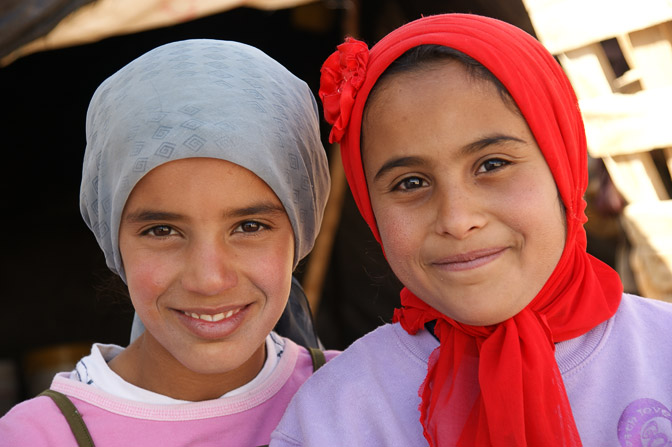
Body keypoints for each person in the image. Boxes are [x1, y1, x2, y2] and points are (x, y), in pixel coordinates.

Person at [271, 13, 672, 447]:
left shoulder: (661, 355)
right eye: (411, 183)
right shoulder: (337, 415)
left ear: (564, 164)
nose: (458, 220)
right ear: (370, 208)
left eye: (492, 165)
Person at [0, 38, 334, 446]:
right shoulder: (41, 437)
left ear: (301, 229)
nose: (209, 279)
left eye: (249, 226)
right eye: (162, 231)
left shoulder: (367, 399)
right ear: (112, 239)